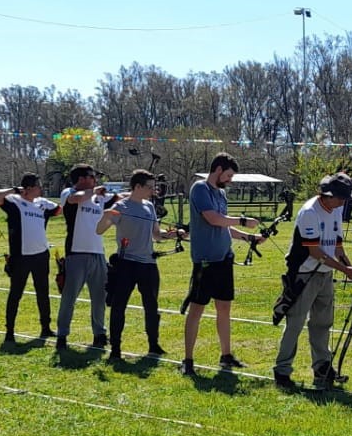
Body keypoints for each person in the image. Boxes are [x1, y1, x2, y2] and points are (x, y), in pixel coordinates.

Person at [272, 173, 352, 392]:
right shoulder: (309, 212)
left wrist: (351, 268)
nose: (343, 203)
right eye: (341, 198)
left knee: (323, 322)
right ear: (328, 195)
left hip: (326, 273)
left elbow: (337, 245)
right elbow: (314, 251)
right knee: (295, 323)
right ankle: (282, 370)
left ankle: (322, 367)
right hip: (304, 273)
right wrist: (345, 270)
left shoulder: (337, 209)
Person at [179, 153, 265, 375]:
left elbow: (224, 226)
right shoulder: (200, 189)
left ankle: (226, 356)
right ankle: (188, 360)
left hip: (224, 259)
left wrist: (249, 237)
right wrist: (243, 220)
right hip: (205, 261)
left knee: (224, 308)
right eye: (228, 175)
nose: (230, 180)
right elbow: (213, 219)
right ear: (218, 170)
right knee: (197, 309)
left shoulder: (221, 194)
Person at [96, 169, 185, 361]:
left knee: (152, 306)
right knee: (119, 306)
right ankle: (115, 349)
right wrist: (106, 216)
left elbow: (156, 234)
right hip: (126, 265)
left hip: (148, 264)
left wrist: (173, 234)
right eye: (150, 187)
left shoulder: (149, 207)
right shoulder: (121, 206)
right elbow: (99, 230)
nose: (154, 191)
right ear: (137, 187)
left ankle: (154, 345)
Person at [0, 173, 61, 344]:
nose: (41, 189)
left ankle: (45, 327)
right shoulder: (14, 201)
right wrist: (14, 190)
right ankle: (10, 331)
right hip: (21, 256)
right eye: (38, 186)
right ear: (28, 188)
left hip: (41, 255)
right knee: (16, 293)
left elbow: (62, 210)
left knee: (43, 292)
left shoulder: (43, 203)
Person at [55, 164, 114, 350]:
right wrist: (94, 191)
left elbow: (121, 198)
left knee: (99, 297)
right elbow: (76, 199)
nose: (95, 180)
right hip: (76, 253)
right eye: (92, 176)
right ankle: (62, 335)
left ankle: (99, 334)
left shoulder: (98, 197)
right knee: (69, 297)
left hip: (98, 253)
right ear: (81, 179)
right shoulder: (69, 192)